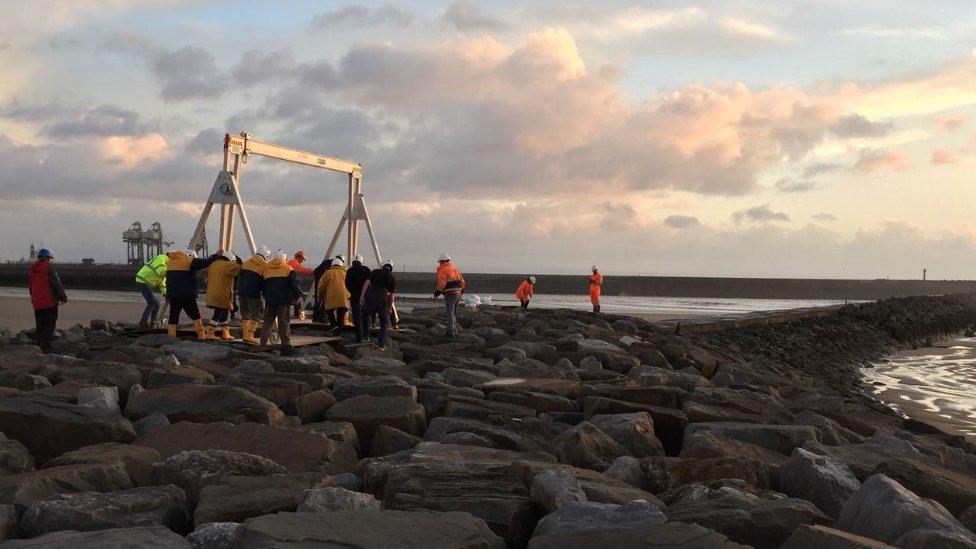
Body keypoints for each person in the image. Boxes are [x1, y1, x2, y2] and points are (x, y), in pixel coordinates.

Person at [165, 248, 221, 341]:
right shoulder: (189, 261)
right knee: (195, 315)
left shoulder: (170, 262)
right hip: (187, 295)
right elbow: (206, 262)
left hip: (173, 295)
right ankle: (201, 335)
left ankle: (171, 336)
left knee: (173, 315)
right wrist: (217, 255)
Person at [261, 250, 301, 354]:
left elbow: (263, 285)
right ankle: (285, 342)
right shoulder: (288, 269)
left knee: (268, 321)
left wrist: (266, 296)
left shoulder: (267, 268)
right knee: (283, 321)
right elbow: (294, 285)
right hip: (283, 301)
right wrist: (296, 297)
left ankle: (263, 342)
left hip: (270, 301)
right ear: (285, 259)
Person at [28, 248, 67, 352]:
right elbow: (56, 284)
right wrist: (63, 297)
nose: (50, 260)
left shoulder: (33, 269)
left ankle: (38, 343)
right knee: (50, 323)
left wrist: (34, 298)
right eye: (50, 258)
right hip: (49, 302)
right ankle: (45, 346)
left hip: (37, 302)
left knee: (40, 323)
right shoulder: (49, 268)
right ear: (47, 258)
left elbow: (31, 287)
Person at [360, 259, 396, 350]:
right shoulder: (392, 277)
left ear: (382, 265)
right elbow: (391, 294)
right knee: (384, 321)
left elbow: (367, 283)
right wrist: (390, 306)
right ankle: (381, 344)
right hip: (382, 298)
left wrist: (362, 296)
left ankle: (366, 337)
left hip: (371, 296)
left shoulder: (374, 272)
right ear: (391, 267)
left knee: (366, 314)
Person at [205, 251, 242, 340]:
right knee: (218, 314)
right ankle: (210, 332)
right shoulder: (228, 265)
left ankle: (226, 333)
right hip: (222, 294)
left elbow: (206, 280)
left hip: (212, 293)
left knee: (224, 313)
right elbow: (241, 268)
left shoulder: (213, 265)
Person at [238, 246, 269, 344]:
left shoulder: (246, 263)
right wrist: (266, 296)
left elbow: (240, 277)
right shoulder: (264, 266)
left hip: (241, 292)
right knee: (257, 313)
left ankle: (244, 334)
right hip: (253, 293)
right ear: (266, 255)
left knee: (245, 313)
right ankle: (249, 335)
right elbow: (264, 283)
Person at [432, 253, 465, 338]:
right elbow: (462, 282)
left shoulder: (442, 269)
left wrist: (436, 295)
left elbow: (441, 285)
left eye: (440, 262)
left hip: (451, 294)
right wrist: (461, 292)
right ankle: (455, 331)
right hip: (458, 293)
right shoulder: (455, 269)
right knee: (453, 313)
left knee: (449, 313)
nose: (439, 263)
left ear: (442, 261)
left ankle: (450, 332)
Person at [135, 252, 168, 329]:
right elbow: (161, 271)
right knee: (152, 302)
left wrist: (165, 294)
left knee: (157, 303)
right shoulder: (161, 258)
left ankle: (153, 323)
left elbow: (162, 283)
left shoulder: (166, 266)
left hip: (146, 283)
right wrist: (172, 274)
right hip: (142, 280)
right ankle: (143, 323)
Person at [317, 258, 350, 335]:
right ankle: (340, 332)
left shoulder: (327, 273)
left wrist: (319, 297)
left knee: (329, 311)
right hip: (344, 299)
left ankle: (333, 326)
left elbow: (321, 286)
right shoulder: (346, 273)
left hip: (331, 298)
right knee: (341, 315)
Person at [345, 254, 371, 342]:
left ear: (353, 261)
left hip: (354, 297)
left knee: (357, 317)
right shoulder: (366, 270)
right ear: (361, 261)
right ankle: (366, 336)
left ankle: (359, 338)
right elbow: (370, 283)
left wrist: (352, 292)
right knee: (366, 316)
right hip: (366, 297)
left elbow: (347, 284)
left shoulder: (349, 270)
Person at [312, 254, 345, 322]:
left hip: (319, 281)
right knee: (325, 301)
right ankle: (323, 318)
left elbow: (316, 271)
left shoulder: (327, 262)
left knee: (318, 300)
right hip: (324, 283)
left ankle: (315, 318)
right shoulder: (333, 266)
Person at [287, 250, 313, 320]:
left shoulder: (292, 262)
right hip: (290, 285)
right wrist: (313, 271)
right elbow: (302, 269)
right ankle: (297, 315)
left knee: (296, 300)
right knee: (295, 300)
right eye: (302, 259)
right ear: (298, 257)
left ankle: (296, 314)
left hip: (290, 285)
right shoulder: (293, 262)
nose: (302, 261)